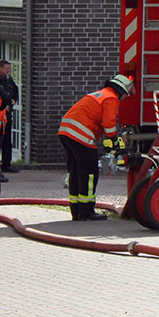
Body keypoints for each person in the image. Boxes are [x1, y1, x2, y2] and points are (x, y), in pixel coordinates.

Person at [57, 74, 134, 221]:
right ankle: (86, 212)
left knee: (75, 173)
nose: (125, 97)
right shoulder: (111, 98)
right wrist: (116, 142)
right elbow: (109, 124)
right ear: (121, 91)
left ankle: (76, 211)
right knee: (89, 174)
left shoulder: (100, 94)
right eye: (126, 94)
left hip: (66, 133)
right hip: (80, 135)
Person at [0, 59, 20, 173]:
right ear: (0, 69)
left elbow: (15, 89)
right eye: (6, 69)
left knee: (7, 140)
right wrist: (4, 106)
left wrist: (14, 99)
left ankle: (6, 164)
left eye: (9, 68)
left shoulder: (9, 79)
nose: (8, 71)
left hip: (7, 115)